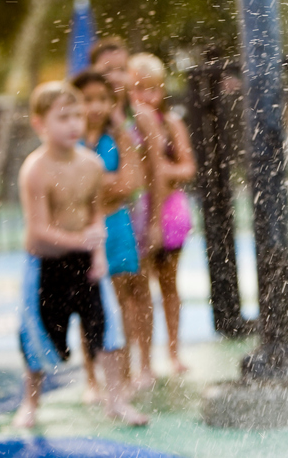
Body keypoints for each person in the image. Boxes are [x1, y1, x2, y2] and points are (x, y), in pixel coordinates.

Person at [13, 80, 148, 428]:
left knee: (106, 332)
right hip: (46, 264)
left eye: (77, 115)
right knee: (36, 337)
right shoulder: (36, 170)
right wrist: (82, 241)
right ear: (39, 123)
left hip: (86, 260)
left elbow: (95, 213)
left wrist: (99, 253)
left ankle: (116, 399)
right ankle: (29, 404)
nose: (74, 123)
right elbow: (37, 230)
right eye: (63, 117)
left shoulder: (91, 165)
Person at [89, 37, 158, 387]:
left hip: (138, 211)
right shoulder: (92, 119)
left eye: (122, 68)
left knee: (141, 289)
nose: (116, 76)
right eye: (107, 70)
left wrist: (157, 219)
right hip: (106, 215)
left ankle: (145, 364)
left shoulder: (140, 117)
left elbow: (155, 172)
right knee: (105, 295)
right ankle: (107, 374)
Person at [72, 70, 143, 403]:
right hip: (81, 232)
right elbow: (68, 190)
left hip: (116, 228)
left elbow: (128, 184)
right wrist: (106, 183)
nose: (96, 106)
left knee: (122, 302)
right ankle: (92, 379)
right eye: (88, 99)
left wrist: (96, 187)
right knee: (87, 306)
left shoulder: (119, 138)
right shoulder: (68, 141)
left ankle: (125, 376)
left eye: (103, 99)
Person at [127, 52, 197, 377]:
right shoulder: (127, 130)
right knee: (141, 290)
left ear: (161, 90)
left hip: (169, 215)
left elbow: (188, 166)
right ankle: (145, 360)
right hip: (137, 214)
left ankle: (174, 352)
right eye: (137, 89)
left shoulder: (170, 124)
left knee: (168, 285)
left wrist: (161, 169)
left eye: (151, 89)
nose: (144, 96)